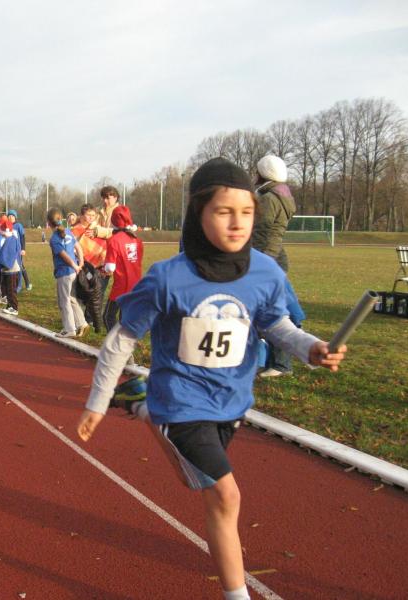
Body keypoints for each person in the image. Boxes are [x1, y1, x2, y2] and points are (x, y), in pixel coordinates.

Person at [76, 158, 347, 600]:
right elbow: (121, 339)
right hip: (182, 401)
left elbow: (276, 325)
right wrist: (97, 400)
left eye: (247, 212)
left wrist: (311, 349)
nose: (238, 223)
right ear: (199, 214)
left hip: (232, 402)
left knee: (195, 481)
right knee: (225, 497)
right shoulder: (168, 278)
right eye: (224, 212)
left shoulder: (266, 272)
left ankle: (145, 409)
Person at [252, 155, 298, 377]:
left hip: (267, 258)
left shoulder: (269, 199)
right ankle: (273, 361)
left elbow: (261, 232)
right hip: (272, 257)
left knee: (273, 312)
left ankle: (280, 364)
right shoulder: (281, 195)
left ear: (264, 174)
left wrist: (258, 261)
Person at [102, 205, 144, 331]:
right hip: (136, 284)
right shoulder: (137, 240)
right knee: (124, 318)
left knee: (108, 317)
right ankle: (124, 341)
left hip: (121, 286)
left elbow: (110, 267)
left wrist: (104, 269)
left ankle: (116, 342)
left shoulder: (114, 240)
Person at [47, 207, 87, 338]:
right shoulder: (68, 231)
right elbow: (78, 247)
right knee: (71, 298)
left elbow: (64, 255)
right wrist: (80, 263)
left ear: (49, 222)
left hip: (64, 272)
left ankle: (69, 329)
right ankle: (82, 323)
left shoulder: (54, 239)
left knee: (63, 301)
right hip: (73, 271)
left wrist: (75, 265)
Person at [72, 203, 108, 332]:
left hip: (98, 265)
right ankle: (83, 318)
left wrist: (103, 259)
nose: (91, 217)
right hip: (84, 266)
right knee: (84, 292)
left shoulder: (97, 229)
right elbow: (72, 247)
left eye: (93, 215)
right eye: (88, 215)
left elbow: (103, 245)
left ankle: (91, 319)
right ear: (82, 215)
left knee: (96, 292)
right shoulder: (76, 229)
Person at [0, 216, 22, 316]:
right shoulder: (9, 238)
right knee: (7, 289)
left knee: (11, 289)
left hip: (11, 269)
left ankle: (14, 307)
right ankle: (9, 306)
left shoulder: (11, 239)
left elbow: (6, 254)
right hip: (7, 269)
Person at [7, 209, 32, 291]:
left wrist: (23, 249)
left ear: (15, 217)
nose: (10, 217)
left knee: (19, 266)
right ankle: (24, 283)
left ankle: (19, 285)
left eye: (12, 216)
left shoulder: (18, 225)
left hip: (18, 250)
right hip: (10, 251)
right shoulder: (7, 226)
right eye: (9, 216)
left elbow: (22, 237)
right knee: (15, 266)